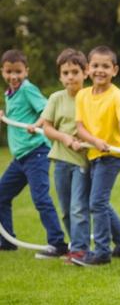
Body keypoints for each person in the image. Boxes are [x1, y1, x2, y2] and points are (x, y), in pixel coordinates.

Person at [71, 46, 120, 266]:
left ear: (115, 70)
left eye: (106, 66)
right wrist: (94, 141)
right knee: (100, 202)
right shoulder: (82, 95)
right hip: (93, 154)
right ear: (88, 69)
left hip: (112, 156)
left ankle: (101, 252)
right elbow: (79, 127)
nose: (100, 70)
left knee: (97, 202)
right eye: (96, 66)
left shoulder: (116, 96)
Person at [0, 49, 68, 258]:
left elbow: (47, 109)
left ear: (26, 72)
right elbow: (18, 114)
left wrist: (37, 124)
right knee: (1, 195)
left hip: (36, 152)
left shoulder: (28, 89)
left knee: (40, 198)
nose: (14, 76)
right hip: (20, 158)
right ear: (2, 71)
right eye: (9, 71)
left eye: (18, 72)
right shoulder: (9, 93)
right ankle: (7, 240)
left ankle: (57, 244)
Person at [40, 48, 91, 263]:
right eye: (66, 72)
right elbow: (47, 127)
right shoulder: (56, 98)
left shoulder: (90, 97)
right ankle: (75, 246)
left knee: (79, 207)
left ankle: (80, 250)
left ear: (85, 73)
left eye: (75, 72)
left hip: (82, 161)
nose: (70, 76)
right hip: (61, 160)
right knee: (66, 209)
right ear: (60, 76)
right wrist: (64, 138)